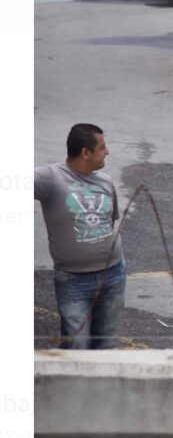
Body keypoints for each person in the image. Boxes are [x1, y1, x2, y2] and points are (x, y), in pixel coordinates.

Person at [34, 123, 125, 349]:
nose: (108, 152)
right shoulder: (50, 178)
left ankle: (102, 386)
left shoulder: (105, 181)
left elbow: (109, 221)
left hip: (113, 274)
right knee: (77, 347)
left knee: (106, 343)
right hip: (74, 280)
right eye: (102, 147)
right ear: (86, 152)